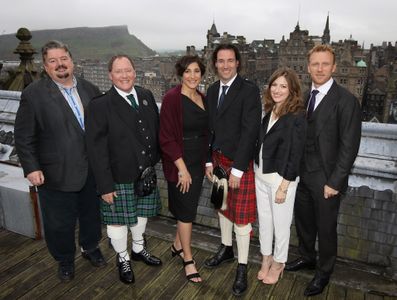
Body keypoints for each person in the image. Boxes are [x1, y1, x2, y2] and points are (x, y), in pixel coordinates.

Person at [14, 40, 105, 282]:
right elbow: (23, 136)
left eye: (63, 58)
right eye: (52, 61)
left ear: (72, 61)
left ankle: (90, 248)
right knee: (59, 223)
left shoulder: (91, 89)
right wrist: (31, 168)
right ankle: (65, 260)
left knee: (91, 215)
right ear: (45, 67)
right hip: (55, 172)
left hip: (90, 171)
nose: (60, 64)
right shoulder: (33, 95)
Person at [285, 44, 362, 296]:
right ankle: (307, 257)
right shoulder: (304, 97)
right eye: (315, 64)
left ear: (334, 67)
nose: (319, 68)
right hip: (302, 174)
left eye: (325, 64)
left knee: (326, 228)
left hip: (327, 179)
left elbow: (349, 147)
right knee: (304, 222)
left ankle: (324, 272)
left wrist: (335, 182)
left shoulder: (346, 100)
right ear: (308, 67)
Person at [85, 54, 162, 285]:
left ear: (135, 71)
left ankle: (138, 249)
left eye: (128, 70)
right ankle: (123, 257)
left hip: (144, 172)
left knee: (141, 215)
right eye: (118, 71)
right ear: (110, 75)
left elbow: (155, 131)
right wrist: (105, 185)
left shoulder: (146, 96)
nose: (124, 75)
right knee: (117, 221)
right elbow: (96, 150)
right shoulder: (100, 105)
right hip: (117, 176)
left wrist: (154, 162)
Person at [204, 43, 262, 296]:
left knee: (241, 218)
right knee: (222, 207)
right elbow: (209, 129)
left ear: (237, 62)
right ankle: (226, 249)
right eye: (220, 61)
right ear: (215, 64)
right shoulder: (213, 89)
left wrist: (238, 170)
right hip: (217, 161)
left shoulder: (249, 90)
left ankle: (242, 266)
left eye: (230, 60)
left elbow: (251, 131)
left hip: (239, 164)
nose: (225, 65)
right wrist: (208, 161)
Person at [254, 67, 306, 285]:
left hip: (280, 182)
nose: (277, 89)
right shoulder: (270, 111)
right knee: (265, 223)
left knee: (281, 226)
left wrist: (284, 186)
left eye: (283, 86)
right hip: (261, 177)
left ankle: (279, 263)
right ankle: (266, 259)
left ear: (292, 90)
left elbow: (296, 155)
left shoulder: (297, 117)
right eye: (274, 85)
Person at [159, 55, 208, 283]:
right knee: (187, 212)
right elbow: (166, 138)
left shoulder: (203, 97)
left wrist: (207, 162)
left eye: (196, 71)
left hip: (198, 161)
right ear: (181, 74)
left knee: (188, 207)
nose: (192, 76)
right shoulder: (171, 98)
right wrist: (182, 168)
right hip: (180, 162)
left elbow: (207, 134)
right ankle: (188, 259)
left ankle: (178, 244)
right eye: (188, 71)